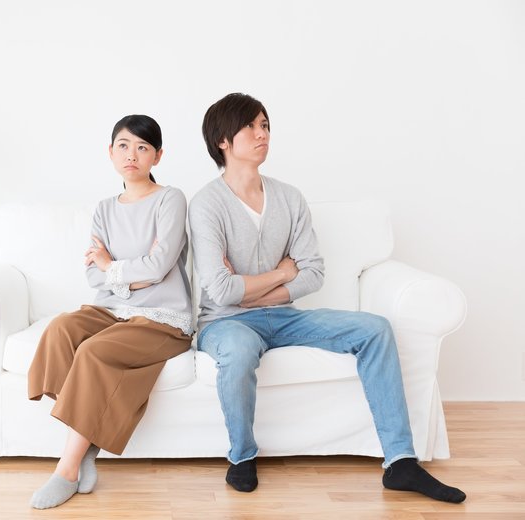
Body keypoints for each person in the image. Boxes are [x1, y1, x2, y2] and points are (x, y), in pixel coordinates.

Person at [188, 92, 466, 503]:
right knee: (240, 351)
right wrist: (283, 271)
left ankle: (401, 461)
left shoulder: (289, 198)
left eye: (265, 125)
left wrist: (261, 287)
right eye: (250, 126)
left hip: (284, 316)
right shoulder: (206, 204)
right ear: (222, 141)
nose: (261, 133)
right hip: (224, 322)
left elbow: (313, 273)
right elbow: (222, 291)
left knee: (375, 329)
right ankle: (242, 458)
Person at [27, 114, 193, 509]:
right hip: (112, 310)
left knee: (95, 352)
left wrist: (111, 265)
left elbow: (159, 267)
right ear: (110, 152)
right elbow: (93, 275)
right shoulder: (104, 208)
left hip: (162, 318)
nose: (131, 154)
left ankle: (67, 468)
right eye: (123, 145)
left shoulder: (171, 199)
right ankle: (86, 446)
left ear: (158, 156)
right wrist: (121, 272)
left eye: (142, 147)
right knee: (61, 330)